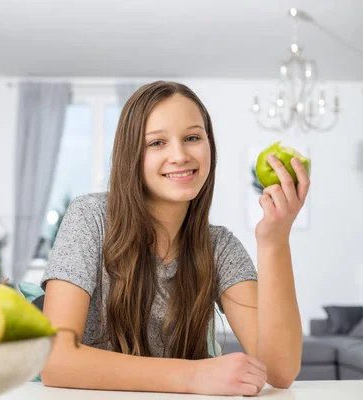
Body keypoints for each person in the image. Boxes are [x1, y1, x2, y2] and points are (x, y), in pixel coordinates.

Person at [39, 81, 309, 396]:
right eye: (156, 143)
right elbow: (55, 360)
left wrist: (274, 241)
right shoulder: (90, 217)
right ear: (131, 155)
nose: (179, 155)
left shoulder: (219, 247)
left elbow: (279, 371)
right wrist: (193, 376)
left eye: (192, 137)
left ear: (209, 145)